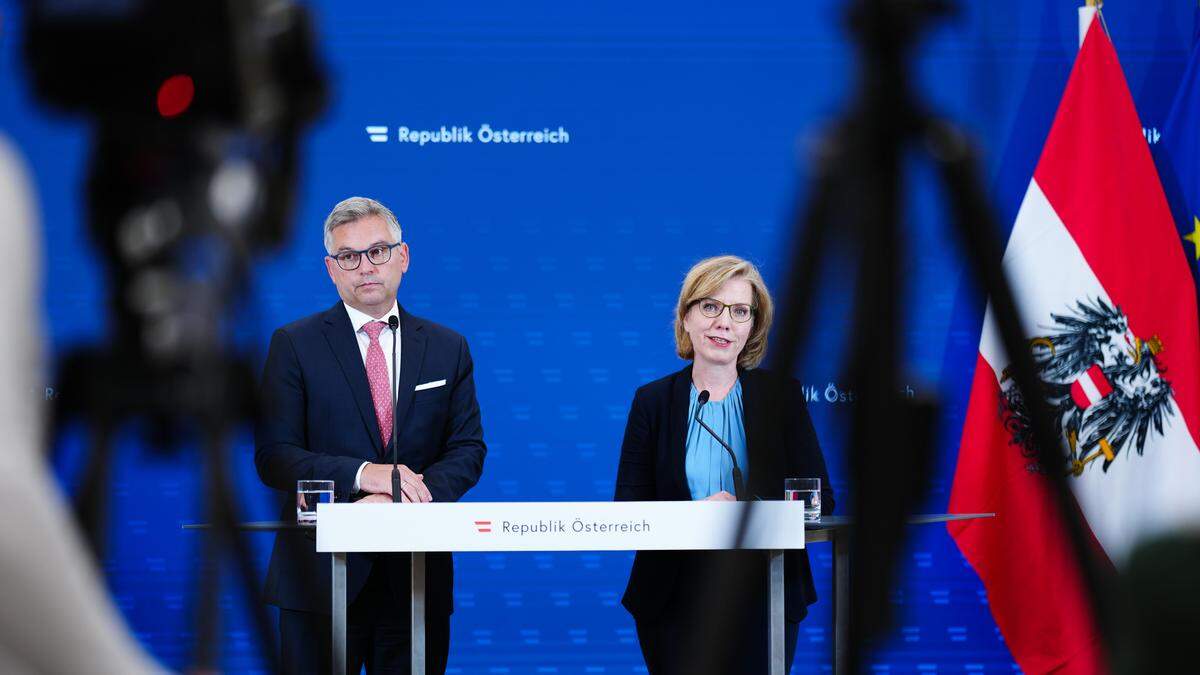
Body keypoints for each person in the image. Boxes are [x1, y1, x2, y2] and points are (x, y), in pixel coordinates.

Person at [256, 196, 486, 674]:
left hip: (415, 580)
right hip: (320, 579)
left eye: (378, 251)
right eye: (349, 256)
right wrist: (365, 476)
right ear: (331, 269)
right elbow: (275, 456)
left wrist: (402, 496)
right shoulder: (294, 345)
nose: (365, 267)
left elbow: (467, 450)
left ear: (403, 257)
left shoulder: (447, 348)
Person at [614, 254, 835, 674]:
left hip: (763, 588)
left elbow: (821, 498)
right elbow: (629, 508)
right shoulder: (653, 402)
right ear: (686, 317)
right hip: (673, 594)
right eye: (710, 306)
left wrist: (752, 511)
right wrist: (695, 517)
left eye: (739, 311)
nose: (724, 322)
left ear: (753, 326)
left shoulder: (780, 397)